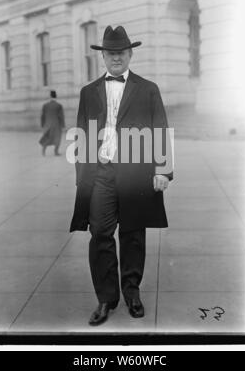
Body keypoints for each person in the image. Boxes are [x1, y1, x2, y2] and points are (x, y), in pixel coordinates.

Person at [70, 25, 173, 326]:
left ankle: (131, 292)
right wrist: (82, 178)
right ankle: (106, 298)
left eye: (121, 53)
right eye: (110, 53)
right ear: (103, 58)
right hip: (100, 174)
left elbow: (160, 129)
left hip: (136, 174)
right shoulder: (88, 92)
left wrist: (163, 169)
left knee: (132, 235)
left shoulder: (147, 88)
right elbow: (83, 137)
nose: (116, 58)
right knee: (100, 233)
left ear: (130, 54)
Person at [39, 90, 65, 156]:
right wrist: (63, 125)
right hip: (56, 125)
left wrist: (42, 124)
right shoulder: (59, 105)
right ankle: (56, 152)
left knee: (46, 138)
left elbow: (42, 116)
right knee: (57, 138)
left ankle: (43, 151)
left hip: (47, 125)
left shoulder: (45, 105)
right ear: (56, 96)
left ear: (50, 96)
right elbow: (61, 116)